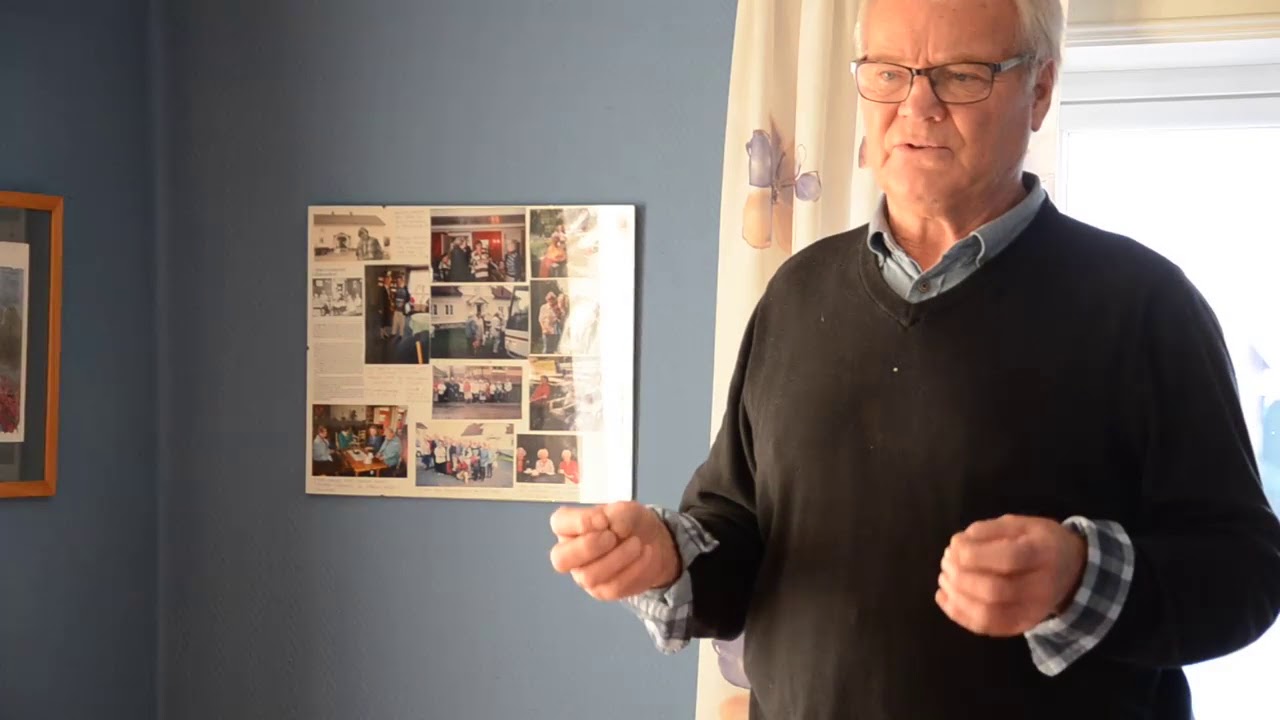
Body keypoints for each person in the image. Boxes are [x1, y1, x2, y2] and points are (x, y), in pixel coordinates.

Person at [546, 1, 1280, 718]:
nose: (916, 106)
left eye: (961, 75)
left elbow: (1244, 576)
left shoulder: (1145, 303)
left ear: (1040, 90)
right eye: (889, 72)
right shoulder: (796, 294)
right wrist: (667, 558)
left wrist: (1078, 578)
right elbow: (738, 531)